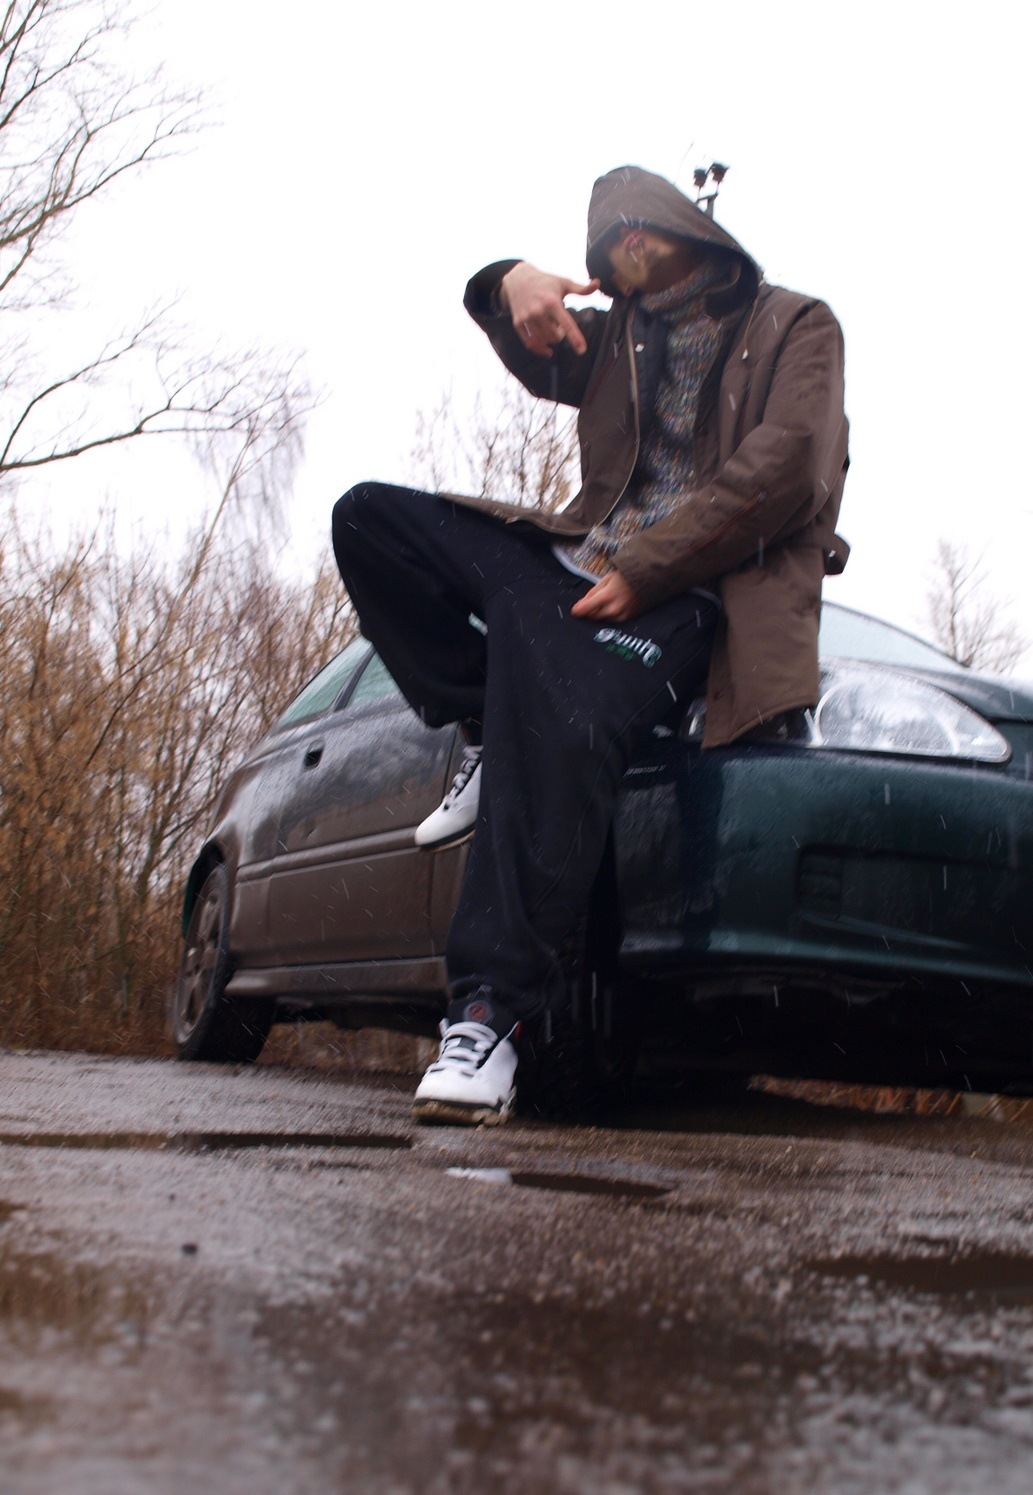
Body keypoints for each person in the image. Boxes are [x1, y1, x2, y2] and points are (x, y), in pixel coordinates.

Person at [332, 164, 850, 1125]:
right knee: (369, 520)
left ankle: (486, 1018)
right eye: (609, 239)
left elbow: (786, 472)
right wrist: (505, 284)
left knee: (559, 712)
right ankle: (479, 717)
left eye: (639, 225)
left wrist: (651, 568)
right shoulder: (620, 337)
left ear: (687, 224)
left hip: (688, 596)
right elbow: (536, 352)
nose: (625, 246)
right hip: (575, 563)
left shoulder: (796, 324)